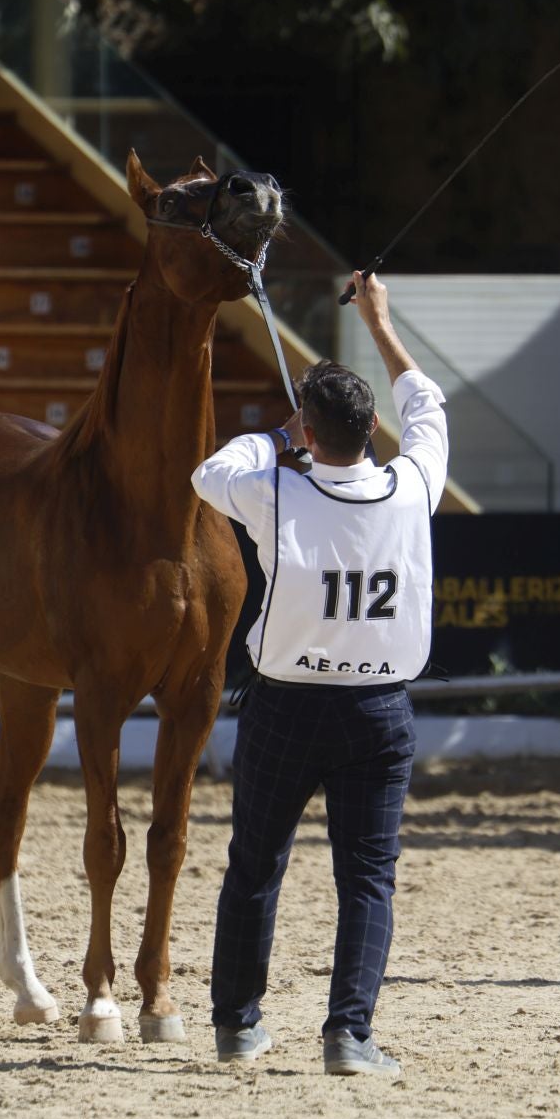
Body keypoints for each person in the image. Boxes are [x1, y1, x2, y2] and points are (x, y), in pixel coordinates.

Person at [190, 270, 449, 1075]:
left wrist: (277, 437)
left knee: (255, 864)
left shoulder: (276, 490)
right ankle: (349, 1034)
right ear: (371, 427)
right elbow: (428, 408)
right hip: (377, 712)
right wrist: (379, 323)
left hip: (286, 707)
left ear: (311, 430)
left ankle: (237, 1025)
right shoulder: (413, 488)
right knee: (367, 880)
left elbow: (208, 474)